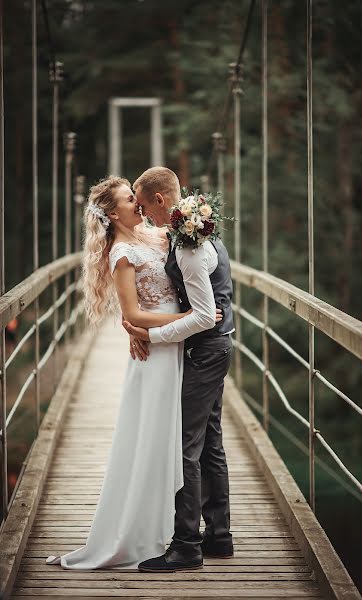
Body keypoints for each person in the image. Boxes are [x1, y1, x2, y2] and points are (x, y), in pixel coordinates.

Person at [45, 175, 221, 570]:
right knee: (156, 439)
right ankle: (144, 534)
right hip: (157, 352)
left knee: (180, 438)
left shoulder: (157, 235)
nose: (138, 206)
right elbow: (132, 314)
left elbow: (192, 263)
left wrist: (194, 318)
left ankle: (177, 529)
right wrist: (194, 317)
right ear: (111, 213)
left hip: (178, 343)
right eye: (129, 200)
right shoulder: (122, 251)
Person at [123, 166, 235, 573]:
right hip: (218, 347)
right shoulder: (194, 228)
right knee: (211, 443)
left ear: (160, 201)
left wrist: (152, 337)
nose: (142, 212)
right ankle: (219, 536)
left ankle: (187, 544)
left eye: (142, 204)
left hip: (206, 349)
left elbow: (205, 317)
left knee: (185, 447)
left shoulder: (188, 243)